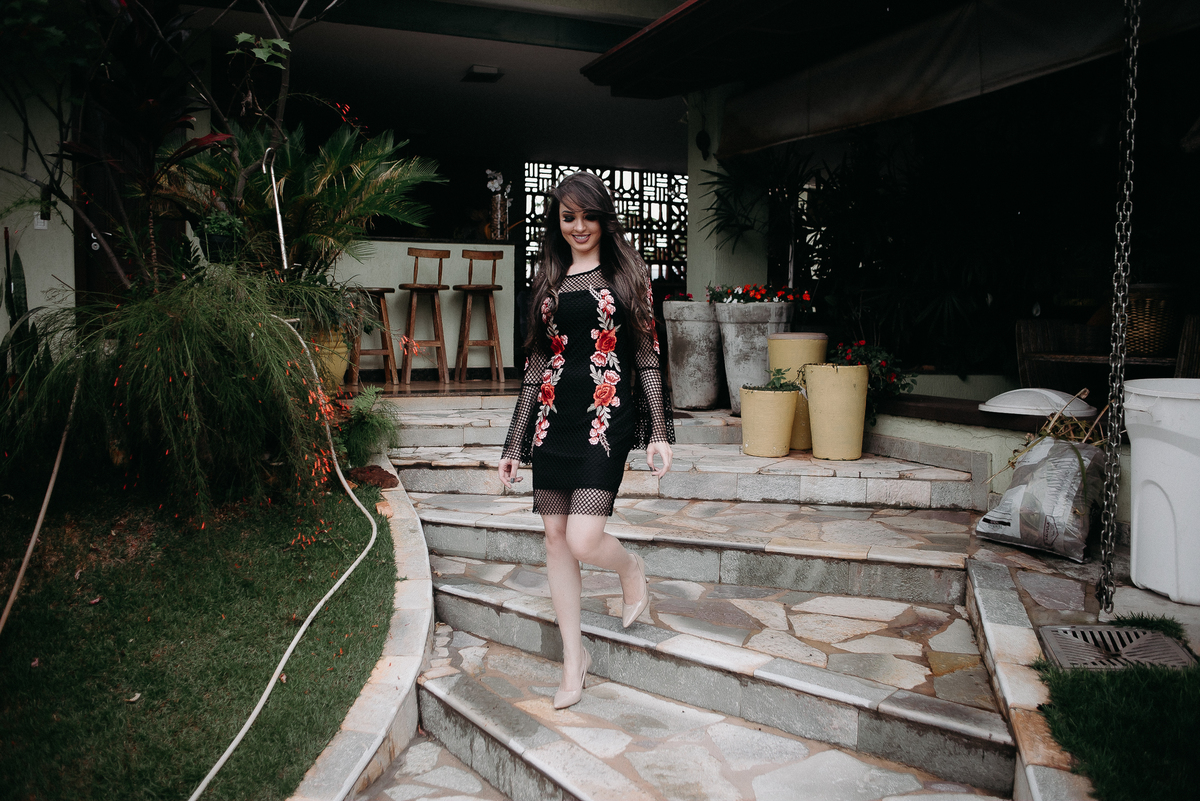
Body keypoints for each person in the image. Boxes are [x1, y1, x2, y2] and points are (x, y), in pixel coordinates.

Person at [498, 171, 674, 709]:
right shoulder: (548, 280)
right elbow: (536, 365)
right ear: (558, 221)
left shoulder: (628, 275)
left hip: (605, 414)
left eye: (588, 216)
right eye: (568, 216)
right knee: (555, 538)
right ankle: (574, 661)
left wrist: (659, 431)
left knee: (582, 538)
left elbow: (646, 355)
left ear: (603, 218)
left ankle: (630, 567)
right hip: (553, 418)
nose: (578, 227)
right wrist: (513, 445)